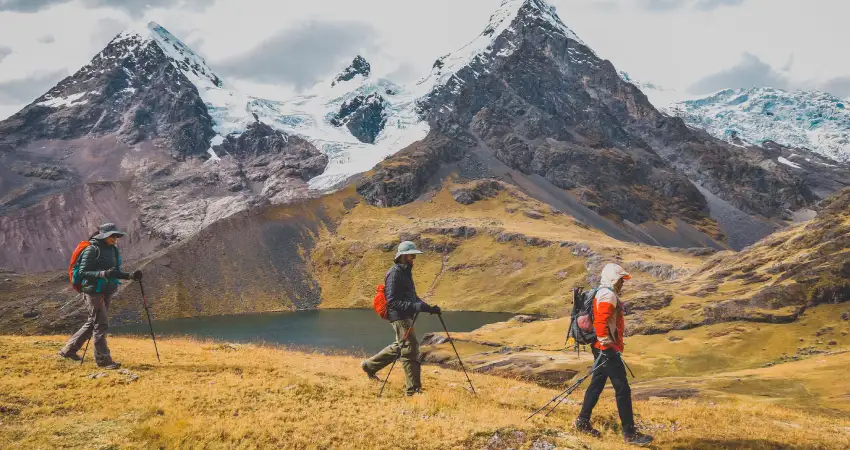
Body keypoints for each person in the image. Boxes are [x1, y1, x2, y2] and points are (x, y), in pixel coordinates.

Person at [574, 263, 653, 446]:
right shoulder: (608, 295)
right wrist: (606, 342)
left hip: (600, 347)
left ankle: (582, 421)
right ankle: (630, 434)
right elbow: (601, 321)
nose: (622, 284)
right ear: (612, 279)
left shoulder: (601, 292)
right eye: (620, 280)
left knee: (597, 384)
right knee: (622, 389)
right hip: (606, 348)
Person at [361, 241, 441, 396]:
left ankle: (369, 366)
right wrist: (416, 307)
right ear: (403, 256)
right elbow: (392, 302)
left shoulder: (405, 272)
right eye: (412, 255)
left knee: (401, 345)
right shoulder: (394, 273)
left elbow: (412, 297)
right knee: (410, 348)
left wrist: (429, 308)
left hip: (406, 315)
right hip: (399, 317)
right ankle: (413, 391)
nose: (414, 259)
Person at [59, 223, 142, 369]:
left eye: (116, 235)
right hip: (92, 291)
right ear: (104, 236)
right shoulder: (91, 250)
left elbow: (114, 271)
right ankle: (103, 360)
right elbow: (83, 272)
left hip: (107, 289)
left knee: (93, 322)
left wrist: (130, 276)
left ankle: (68, 351)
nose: (115, 238)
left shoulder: (113, 250)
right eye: (112, 236)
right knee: (101, 324)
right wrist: (102, 274)